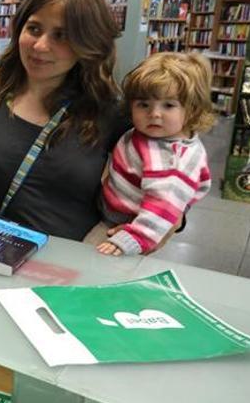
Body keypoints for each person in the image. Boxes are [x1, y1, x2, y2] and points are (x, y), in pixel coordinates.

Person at [0, 0, 129, 241]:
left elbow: (169, 171)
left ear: (87, 45)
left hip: (76, 267)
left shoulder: (110, 113)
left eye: (62, 36)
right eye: (34, 28)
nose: (41, 46)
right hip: (2, 255)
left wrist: (167, 223)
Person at [91, 52, 214, 256]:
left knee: (89, 261)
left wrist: (135, 238)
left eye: (168, 105)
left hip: (126, 225)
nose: (154, 113)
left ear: (191, 110)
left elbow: (164, 206)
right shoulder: (153, 135)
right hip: (112, 210)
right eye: (143, 104)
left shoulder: (173, 160)